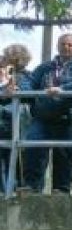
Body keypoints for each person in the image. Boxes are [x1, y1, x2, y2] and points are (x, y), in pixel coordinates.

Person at [21, 33, 72, 194]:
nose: (66, 47)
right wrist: (24, 92)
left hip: (66, 118)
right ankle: (32, 187)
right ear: (57, 45)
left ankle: (61, 190)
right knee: (33, 148)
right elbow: (29, 82)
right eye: (63, 44)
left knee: (64, 154)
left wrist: (63, 90)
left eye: (70, 44)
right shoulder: (45, 67)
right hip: (42, 118)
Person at [0, 44, 33, 193]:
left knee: (14, 157)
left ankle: (13, 188)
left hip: (15, 123)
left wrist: (14, 89)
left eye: (6, 56)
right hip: (5, 122)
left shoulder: (25, 76)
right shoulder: (3, 74)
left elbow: (28, 92)